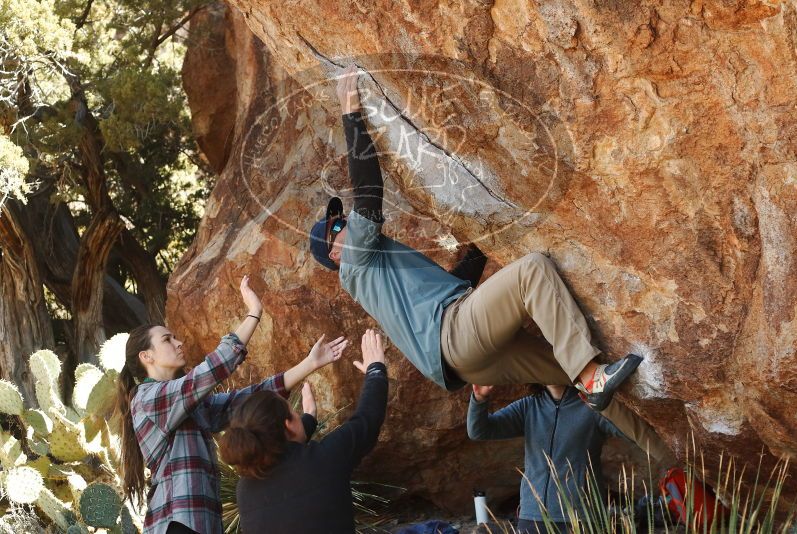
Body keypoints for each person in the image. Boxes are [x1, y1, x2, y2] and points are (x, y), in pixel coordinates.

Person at [307, 65, 668, 457]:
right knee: (533, 272)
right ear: (335, 253)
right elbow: (369, 191)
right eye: (338, 226)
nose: (345, 223)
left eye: (341, 219)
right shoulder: (357, 265)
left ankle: (673, 464)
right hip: (456, 336)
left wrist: (484, 242)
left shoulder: (377, 270)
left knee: (573, 377)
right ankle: (591, 376)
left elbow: (454, 283)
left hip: (464, 356)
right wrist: (350, 112)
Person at [116, 275, 349, 534]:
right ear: (146, 356)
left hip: (199, 524)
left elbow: (245, 400)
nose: (179, 342)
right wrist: (254, 314)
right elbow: (211, 370)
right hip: (176, 523)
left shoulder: (189, 404)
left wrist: (310, 363)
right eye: (167, 340)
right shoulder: (147, 399)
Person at [219, 328, 389, 534]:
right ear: (287, 425)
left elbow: (284, 453)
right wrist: (376, 369)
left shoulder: (245, 491)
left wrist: (309, 417)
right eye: (295, 413)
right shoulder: (325, 459)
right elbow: (367, 419)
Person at [467, 384, 666, 533]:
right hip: (532, 516)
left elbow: (633, 432)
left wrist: (605, 400)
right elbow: (479, 431)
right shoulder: (528, 406)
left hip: (579, 518)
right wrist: (479, 398)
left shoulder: (591, 407)